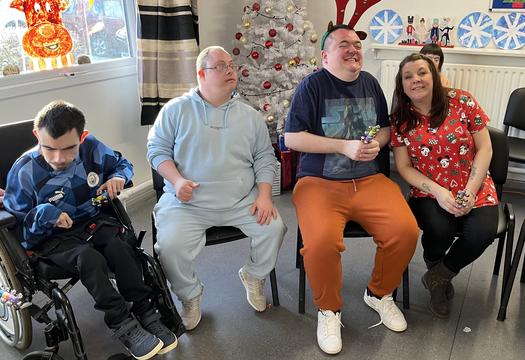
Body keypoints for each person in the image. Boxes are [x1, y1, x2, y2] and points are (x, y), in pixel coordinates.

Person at [3, 101, 176, 359]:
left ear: (82, 137)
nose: (58, 158)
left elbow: (122, 163)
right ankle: (122, 323)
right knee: (89, 258)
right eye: (49, 148)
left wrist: (119, 177)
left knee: (120, 246)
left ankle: (145, 311)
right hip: (51, 239)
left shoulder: (92, 147)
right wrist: (46, 215)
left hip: (92, 222)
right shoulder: (24, 170)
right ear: (37, 136)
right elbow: (22, 233)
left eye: (69, 148)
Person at [284, 24, 419, 355]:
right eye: (344, 44)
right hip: (319, 182)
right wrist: (343, 146)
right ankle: (329, 310)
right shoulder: (311, 86)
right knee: (321, 244)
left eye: (357, 45)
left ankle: (378, 293)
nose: (353, 49)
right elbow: (291, 139)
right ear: (326, 55)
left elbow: (383, 129)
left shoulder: (371, 84)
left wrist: (375, 142)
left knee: (406, 231)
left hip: (369, 180)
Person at [147, 46, 286, 331]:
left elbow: (264, 157)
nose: (230, 71)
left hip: (240, 200)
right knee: (170, 246)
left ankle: (253, 275)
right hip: (188, 203)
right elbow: (156, 150)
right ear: (201, 74)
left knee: (274, 228)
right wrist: (176, 181)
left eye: (232, 65)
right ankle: (190, 296)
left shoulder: (250, 116)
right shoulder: (176, 110)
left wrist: (263, 195)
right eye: (221, 66)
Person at [390, 53, 498, 319]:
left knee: (482, 233)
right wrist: (438, 192)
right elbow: (404, 167)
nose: (416, 79)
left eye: (422, 72)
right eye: (408, 76)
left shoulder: (462, 101)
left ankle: (439, 276)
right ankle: (438, 271)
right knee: (440, 229)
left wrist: (471, 190)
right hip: (428, 189)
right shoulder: (400, 120)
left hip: (473, 183)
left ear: (434, 76)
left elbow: (485, 148)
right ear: (402, 86)